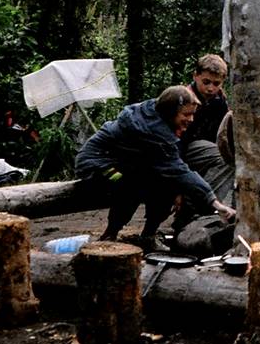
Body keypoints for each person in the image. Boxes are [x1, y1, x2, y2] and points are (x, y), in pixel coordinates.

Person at [75, 85, 236, 249]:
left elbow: (172, 168)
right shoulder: (153, 131)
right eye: (186, 114)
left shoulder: (157, 111)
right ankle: (110, 234)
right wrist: (215, 203)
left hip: (125, 164)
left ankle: (148, 236)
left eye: (193, 114)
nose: (191, 119)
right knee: (131, 185)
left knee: (164, 182)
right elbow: (179, 170)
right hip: (97, 165)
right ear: (170, 111)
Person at [174, 54, 235, 231]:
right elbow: (174, 140)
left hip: (203, 150)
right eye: (206, 82)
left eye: (216, 84)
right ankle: (199, 207)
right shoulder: (183, 98)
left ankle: (201, 209)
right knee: (223, 157)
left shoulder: (219, 101)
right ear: (196, 76)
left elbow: (222, 133)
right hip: (178, 150)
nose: (210, 88)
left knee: (229, 158)